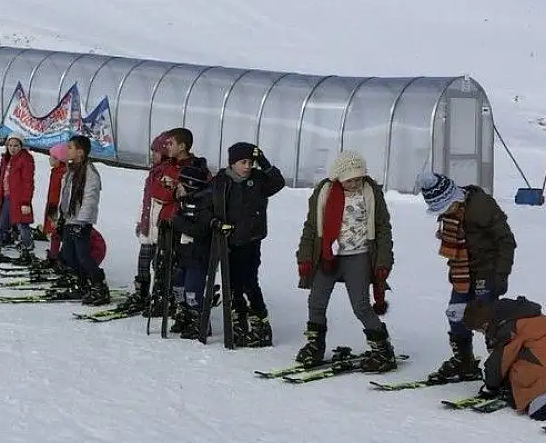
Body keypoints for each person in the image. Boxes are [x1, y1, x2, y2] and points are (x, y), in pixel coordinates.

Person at [295, 151, 396, 371]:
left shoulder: (370, 192)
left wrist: (383, 261)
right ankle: (315, 344)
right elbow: (311, 227)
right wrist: (304, 256)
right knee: (316, 301)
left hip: (358, 255)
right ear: (338, 178)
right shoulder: (325, 192)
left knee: (360, 305)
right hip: (327, 256)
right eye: (350, 179)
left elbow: (382, 229)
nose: (355, 183)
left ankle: (381, 348)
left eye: (359, 178)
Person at [417, 171, 517, 383]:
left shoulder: (481, 206)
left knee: (486, 319)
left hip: (488, 271)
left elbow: (506, 241)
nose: (444, 213)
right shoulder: (452, 214)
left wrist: (501, 274)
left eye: (445, 208)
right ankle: (465, 362)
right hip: (463, 272)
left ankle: (502, 369)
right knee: (456, 314)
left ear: (455, 197)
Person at [210, 142, 286, 347]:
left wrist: (263, 161)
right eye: (243, 162)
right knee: (232, 283)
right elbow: (211, 204)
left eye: (250, 162)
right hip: (229, 240)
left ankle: (260, 323)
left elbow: (278, 183)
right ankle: (239, 319)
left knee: (249, 282)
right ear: (232, 163)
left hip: (251, 241)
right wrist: (216, 222)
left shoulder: (258, 180)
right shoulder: (221, 181)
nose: (247, 166)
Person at [462, 297, 546, 420]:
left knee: (538, 410)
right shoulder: (519, 313)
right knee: (515, 385)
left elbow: (498, 363)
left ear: (485, 323)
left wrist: (490, 387)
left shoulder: (506, 328)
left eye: (479, 330)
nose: (483, 334)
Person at [167, 164, 215, 339]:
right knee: (178, 285)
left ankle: (200, 320)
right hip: (183, 253)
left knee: (192, 289)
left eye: (180, 183)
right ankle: (185, 314)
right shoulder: (184, 201)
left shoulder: (205, 204)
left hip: (198, 255)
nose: (177, 186)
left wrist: (177, 222)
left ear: (190, 184)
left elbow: (200, 230)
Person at [123, 133, 171, 313]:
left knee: (158, 265)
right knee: (143, 261)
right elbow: (146, 200)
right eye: (152, 151)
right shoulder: (153, 172)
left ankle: (159, 296)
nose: (153, 155)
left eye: (156, 151)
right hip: (147, 227)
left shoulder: (167, 171)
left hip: (159, 228)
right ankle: (142, 292)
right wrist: (140, 221)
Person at [57, 135, 107, 305]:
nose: (67, 150)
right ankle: (82, 283)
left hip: (81, 222)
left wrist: (82, 221)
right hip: (70, 219)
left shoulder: (89, 172)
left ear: (81, 152)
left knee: (83, 256)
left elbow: (90, 198)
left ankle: (99, 285)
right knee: (69, 256)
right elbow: (65, 196)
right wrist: (61, 217)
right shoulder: (71, 171)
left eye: (70, 147)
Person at [0, 135, 36, 262]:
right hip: (6, 198)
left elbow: (28, 182)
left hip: (19, 199)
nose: (13, 149)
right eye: (10, 145)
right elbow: (1, 181)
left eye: (16, 146)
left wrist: (26, 202)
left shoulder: (26, 159)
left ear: (21, 146)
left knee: (22, 225)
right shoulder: (6, 159)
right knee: (0, 224)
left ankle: (27, 248)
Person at [42, 142, 69, 263]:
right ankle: (55, 254)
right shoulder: (56, 171)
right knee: (54, 231)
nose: (49, 159)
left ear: (58, 159)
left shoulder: (63, 173)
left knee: (55, 232)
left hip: (57, 206)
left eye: (52, 157)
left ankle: (55, 256)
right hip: (52, 203)